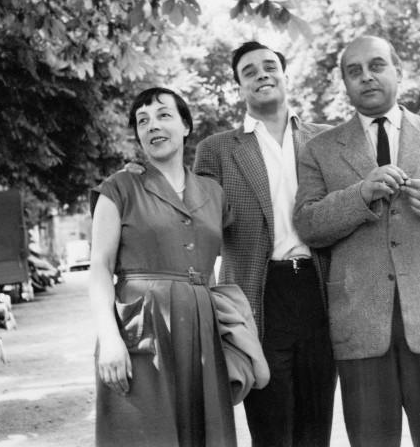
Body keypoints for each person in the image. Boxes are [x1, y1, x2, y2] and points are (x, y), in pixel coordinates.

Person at [293, 36, 420, 447]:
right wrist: (359, 194)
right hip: (360, 329)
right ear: (344, 84)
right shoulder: (320, 149)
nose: (366, 77)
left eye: (377, 65)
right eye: (354, 71)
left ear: (399, 71)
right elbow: (308, 224)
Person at [194, 41, 337, 447]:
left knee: (316, 427)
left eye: (270, 66)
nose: (262, 74)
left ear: (285, 75)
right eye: (249, 71)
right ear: (239, 87)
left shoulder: (325, 140)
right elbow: (197, 226)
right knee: (272, 430)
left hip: (319, 292)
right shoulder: (217, 150)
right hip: (257, 297)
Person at [89, 87, 238, 447]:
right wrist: (109, 338)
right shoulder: (119, 187)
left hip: (202, 328)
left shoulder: (214, 192)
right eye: (143, 121)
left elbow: (224, 258)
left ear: (186, 125)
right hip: (142, 328)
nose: (152, 125)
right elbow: (99, 268)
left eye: (163, 115)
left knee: (206, 433)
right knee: (144, 434)